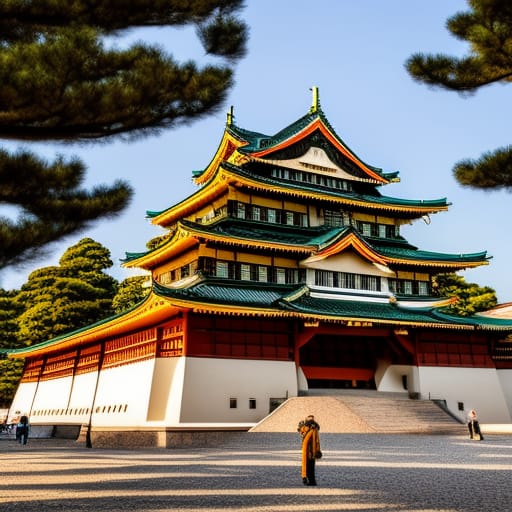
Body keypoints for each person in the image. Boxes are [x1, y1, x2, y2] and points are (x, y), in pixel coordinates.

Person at [298, 414, 322, 486]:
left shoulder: (308, 428)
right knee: (310, 466)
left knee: (307, 466)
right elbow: (317, 440)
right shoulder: (313, 428)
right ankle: (311, 481)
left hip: (308, 450)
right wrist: (317, 450)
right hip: (311, 450)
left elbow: (315, 440)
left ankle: (309, 480)